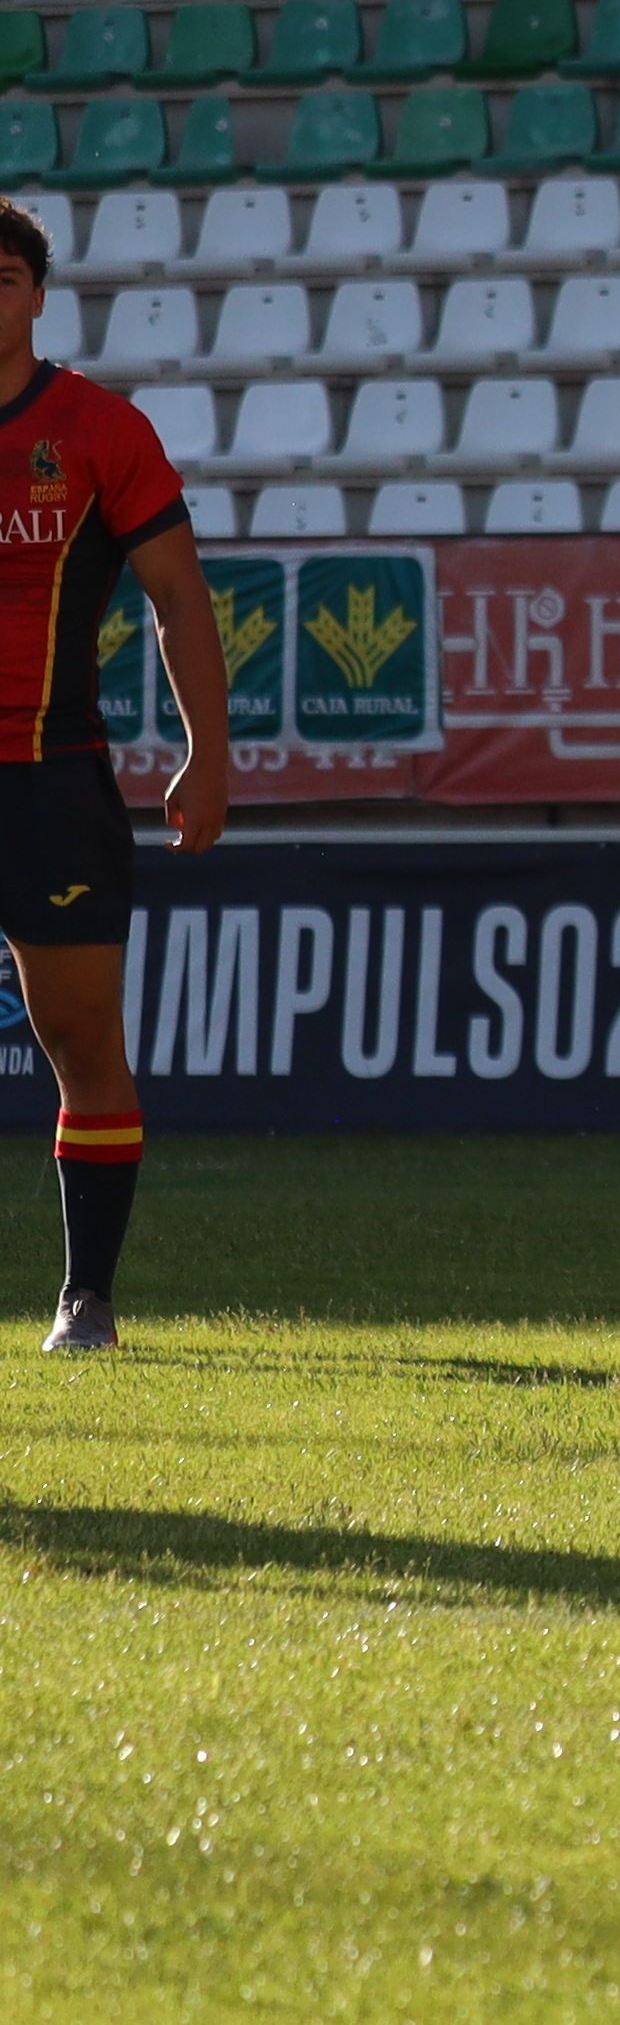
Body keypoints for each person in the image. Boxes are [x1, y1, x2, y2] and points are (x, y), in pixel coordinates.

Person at [0, 202, 230, 1353]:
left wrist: (208, 750)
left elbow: (179, 596)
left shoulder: (98, 428)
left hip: (51, 779)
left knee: (81, 1037)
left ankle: (87, 1296)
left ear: (37, 294)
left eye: (2, 276)